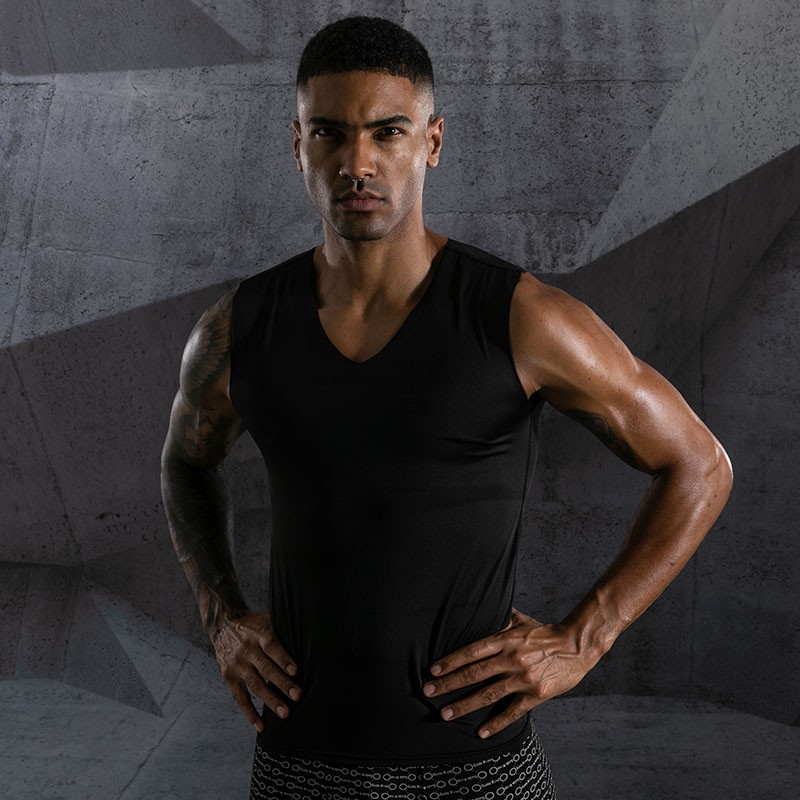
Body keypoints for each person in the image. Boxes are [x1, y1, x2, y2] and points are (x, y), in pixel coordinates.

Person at [160, 15, 733, 800]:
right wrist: (221, 617)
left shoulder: (523, 320)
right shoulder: (240, 328)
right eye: (329, 133)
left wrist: (585, 636)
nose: (357, 163)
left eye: (387, 132)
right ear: (298, 145)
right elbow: (185, 462)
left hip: (479, 768)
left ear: (431, 142)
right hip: (299, 764)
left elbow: (699, 463)